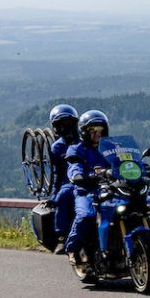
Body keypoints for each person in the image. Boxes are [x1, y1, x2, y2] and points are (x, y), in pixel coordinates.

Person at [63, 109, 113, 263]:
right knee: (86, 215)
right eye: (93, 130)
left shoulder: (111, 146)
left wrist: (140, 167)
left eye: (100, 129)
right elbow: (74, 168)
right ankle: (72, 248)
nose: (98, 133)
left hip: (111, 189)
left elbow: (124, 160)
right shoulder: (76, 149)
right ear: (84, 132)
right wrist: (80, 176)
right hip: (86, 190)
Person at [46, 104, 80, 252]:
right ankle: (61, 237)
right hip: (70, 182)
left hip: (94, 179)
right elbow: (57, 173)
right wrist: (54, 196)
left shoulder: (86, 139)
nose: (65, 127)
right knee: (62, 197)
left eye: (68, 123)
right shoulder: (57, 147)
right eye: (60, 124)